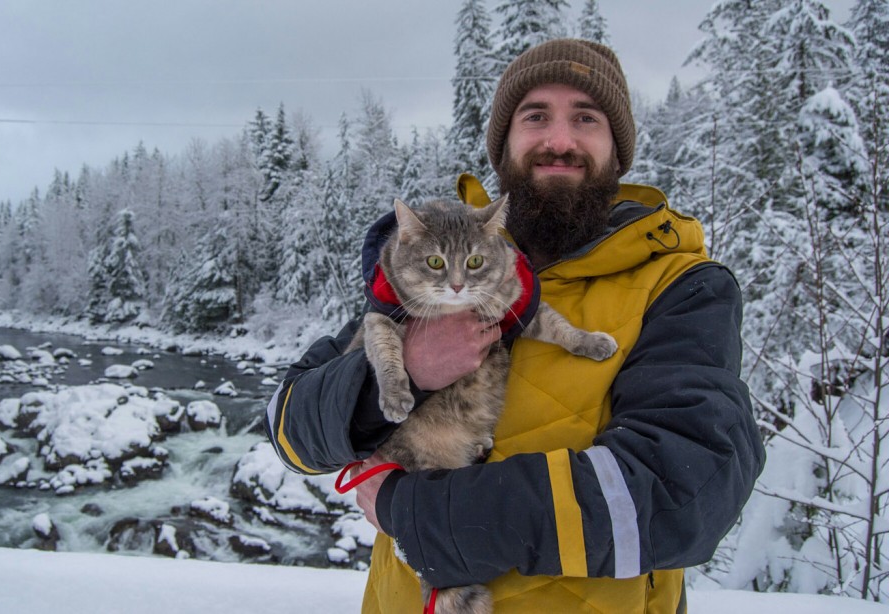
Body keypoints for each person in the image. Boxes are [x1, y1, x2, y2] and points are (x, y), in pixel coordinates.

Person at [266, 38, 764, 613]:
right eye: (535, 117)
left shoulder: (680, 284)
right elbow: (287, 423)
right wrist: (406, 376)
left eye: (586, 118)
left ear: (617, 149)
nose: (559, 140)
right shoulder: (442, 264)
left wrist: (420, 513)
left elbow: (686, 490)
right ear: (504, 144)